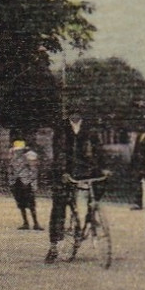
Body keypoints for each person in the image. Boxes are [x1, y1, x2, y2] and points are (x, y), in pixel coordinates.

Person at [47, 107, 104, 263]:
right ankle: (53, 246)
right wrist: (63, 171)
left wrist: (104, 167)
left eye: (78, 113)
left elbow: (98, 150)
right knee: (59, 204)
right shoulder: (61, 129)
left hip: (86, 170)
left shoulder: (90, 128)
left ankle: (88, 221)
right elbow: (59, 152)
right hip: (64, 171)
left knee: (97, 190)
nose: (75, 116)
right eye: (72, 113)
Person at [9, 140, 40, 230]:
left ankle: (35, 223)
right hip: (17, 183)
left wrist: (34, 184)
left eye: (19, 150)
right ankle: (25, 222)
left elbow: (33, 171)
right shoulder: (12, 158)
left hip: (27, 183)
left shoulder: (29, 157)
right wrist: (11, 183)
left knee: (31, 204)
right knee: (21, 204)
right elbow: (10, 172)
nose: (17, 152)